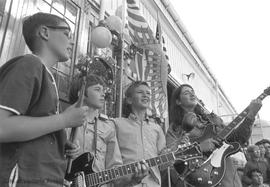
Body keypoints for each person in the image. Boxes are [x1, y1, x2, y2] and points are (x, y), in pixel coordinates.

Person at [0, 12, 88, 187]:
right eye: (66, 34)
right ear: (45, 32)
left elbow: (35, 131)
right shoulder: (30, 64)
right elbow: (2, 127)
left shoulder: (47, 75)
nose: (72, 42)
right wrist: (64, 120)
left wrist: (60, 144)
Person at [166, 84, 262, 187]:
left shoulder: (213, 120)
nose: (192, 94)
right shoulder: (175, 129)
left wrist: (250, 116)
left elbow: (237, 138)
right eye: (186, 92)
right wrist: (200, 147)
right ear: (178, 101)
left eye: (192, 91)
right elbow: (171, 157)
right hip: (199, 180)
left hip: (228, 178)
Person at [67, 74, 148, 186]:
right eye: (97, 89)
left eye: (103, 90)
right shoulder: (65, 121)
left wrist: (133, 179)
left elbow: (115, 169)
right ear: (81, 93)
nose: (103, 93)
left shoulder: (108, 127)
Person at [114, 81, 167, 187]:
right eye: (140, 92)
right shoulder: (116, 124)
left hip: (153, 184)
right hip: (126, 183)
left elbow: (162, 165)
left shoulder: (157, 129)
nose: (145, 95)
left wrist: (170, 157)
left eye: (148, 93)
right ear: (129, 100)